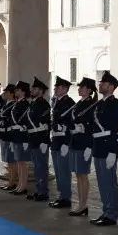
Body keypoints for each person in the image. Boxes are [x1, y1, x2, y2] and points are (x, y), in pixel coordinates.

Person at [90, 71, 118, 226]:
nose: (100, 85)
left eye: (103, 83)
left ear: (111, 86)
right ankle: (105, 211)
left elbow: (112, 129)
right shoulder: (99, 104)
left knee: (109, 182)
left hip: (108, 147)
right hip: (98, 146)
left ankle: (112, 213)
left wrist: (112, 151)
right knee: (102, 182)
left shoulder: (115, 104)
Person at [68, 77, 97, 216]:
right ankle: (80, 203)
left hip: (84, 143)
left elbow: (92, 125)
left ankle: (83, 204)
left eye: (82, 87)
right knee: (78, 174)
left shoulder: (91, 104)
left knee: (83, 175)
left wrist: (89, 146)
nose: (79, 89)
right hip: (75, 141)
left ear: (89, 90)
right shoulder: (80, 103)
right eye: (79, 87)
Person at [49, 76, 75, 209]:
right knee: (58, 170)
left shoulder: (68, 102)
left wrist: (66, 143)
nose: (55, 89)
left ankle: (66, 197)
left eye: (57, 87)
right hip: (56, 140)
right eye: (55, 86)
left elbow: (71, 125)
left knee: (64, 170)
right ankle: (61, 195)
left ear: (64, 89)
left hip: (63, 140)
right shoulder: (56, 101)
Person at [26, 77, 51, 201]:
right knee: (36, 167)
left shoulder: (44, 104)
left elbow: (47, 125)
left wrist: (45, 141)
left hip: (40, 139)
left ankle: (43, 192)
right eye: (32, 88)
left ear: (40, 91)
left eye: (34, 88)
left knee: (41, 167)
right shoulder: (33, 103)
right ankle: (38, 189)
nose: (32, 90)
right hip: (33, 138)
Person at [8, 81, 32, 195]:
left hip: (22, 137)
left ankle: (23, 186)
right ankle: (19, 185)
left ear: (23, 91)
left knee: (23, 163)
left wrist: (26, 139)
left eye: (17, 90)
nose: (15, 91)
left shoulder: (26, 104)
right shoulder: (17, 103)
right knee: (18, 161)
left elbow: (27, 122)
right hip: (16, 135)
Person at [0, 84, 17, 190]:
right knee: (8, 161)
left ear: (11, 94)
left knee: (12, 161)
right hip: (4, 135)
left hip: (9, 135)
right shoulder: (6, 104)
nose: (4, 93)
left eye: (6, 92)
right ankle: (10, 181)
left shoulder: (13, 105)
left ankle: (12, 182)